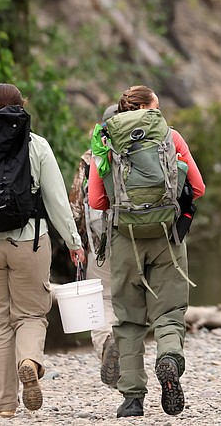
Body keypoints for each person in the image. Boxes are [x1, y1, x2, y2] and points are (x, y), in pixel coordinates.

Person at [0, 83, 86, 423]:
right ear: (21, 106)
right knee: (32, 313)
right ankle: (30, 362)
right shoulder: (35, 144)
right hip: (29, 241)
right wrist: (74, 242)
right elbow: (56, 201)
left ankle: (5, 406)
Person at [88, 85, 205, 418]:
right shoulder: (170, 136)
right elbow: (198, 187)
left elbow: (96, 201)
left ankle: (133, 398)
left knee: (128, 320)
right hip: (167, 237)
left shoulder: (106, 141)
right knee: (169, 313)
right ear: (147, 108)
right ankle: (168, 357)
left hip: (125, 239)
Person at [69, 103, 120, 387]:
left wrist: (77, 243)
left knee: (102, 302)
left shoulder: (90, 158)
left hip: (100, 241)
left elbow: (76, 204)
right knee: (134, 304)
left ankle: (107, 344)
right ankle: (133, 361)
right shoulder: (147, 150)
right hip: (142, 239)